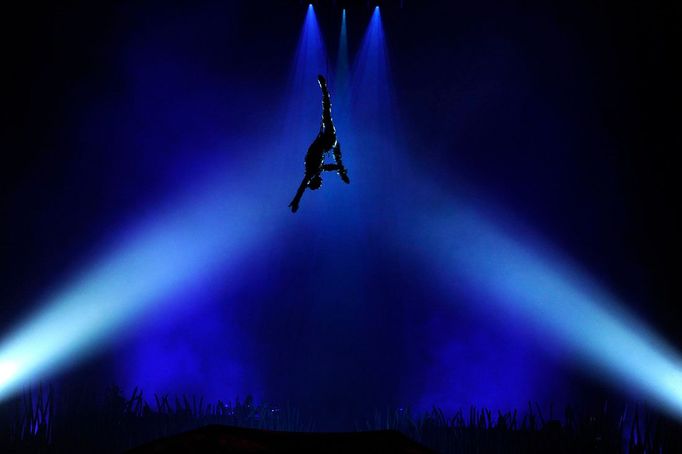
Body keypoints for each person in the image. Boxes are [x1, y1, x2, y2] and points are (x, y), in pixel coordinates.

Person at [288, 75, 350, 213]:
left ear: (315, 182)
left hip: (325, 140)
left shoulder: (311, 172)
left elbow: (303, 186)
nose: (322, 183)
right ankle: (343, 173)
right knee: (337, 156)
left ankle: (323, 87)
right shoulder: (317, 170)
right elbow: (327, 167)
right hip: (329, 142)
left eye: (319, 184)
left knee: (327, 112)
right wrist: (339, 170)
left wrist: (296, 201)